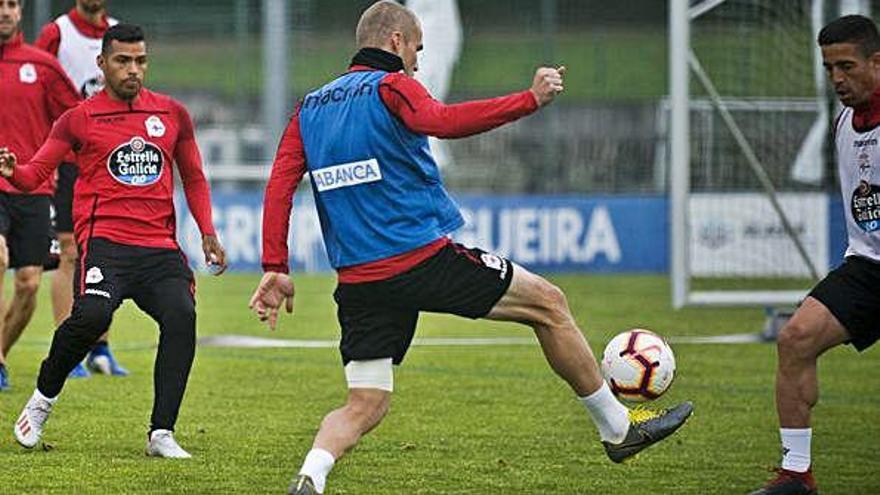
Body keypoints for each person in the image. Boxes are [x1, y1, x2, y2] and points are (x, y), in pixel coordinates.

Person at [249, 2, 693, 494]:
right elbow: (442, 120)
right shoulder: (394, 86)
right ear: (396, 41)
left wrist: (275, 265)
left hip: (359, 282)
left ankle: (312, 474)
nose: (418, 60)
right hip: (420, 260)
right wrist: (529, 99)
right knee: (549, 304)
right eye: (417, 48)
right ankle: (618, 429)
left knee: (365, 402)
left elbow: (279, 184)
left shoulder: (309, 107)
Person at [0, 23, 227, 458]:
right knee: (90, 316)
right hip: (106, 242)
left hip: (159, 249)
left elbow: (194, 176)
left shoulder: (171, 115)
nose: (133, 70)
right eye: (123, 61)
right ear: (102, 64)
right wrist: (14, 172)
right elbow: (36, 173)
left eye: (140, 60)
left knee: (182, 316)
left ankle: (161, 432)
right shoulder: (78, 119)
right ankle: (43, 398)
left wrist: (208, 232)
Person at [749, 15, 880, 495]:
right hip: (868, 266)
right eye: (829, 69)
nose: (837, 79)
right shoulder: (845, 120)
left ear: (878, 62)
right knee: (795, 339)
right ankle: (797, 476)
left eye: (846, 66)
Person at [36, 0, 126, 378]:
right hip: (69, 163)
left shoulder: (120, 32)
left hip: (110, 160)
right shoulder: (57, 33)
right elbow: (34, 88)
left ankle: (101, 348)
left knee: (109, 249)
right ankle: (66, 346)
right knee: (70, 252)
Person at [0, 0, 81, 392]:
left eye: (12, 4)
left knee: (29, 282)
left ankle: (0, 354)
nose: (4, 12)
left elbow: (76, 121)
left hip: (31, 187)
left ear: (21, 11)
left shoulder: (43, 67)